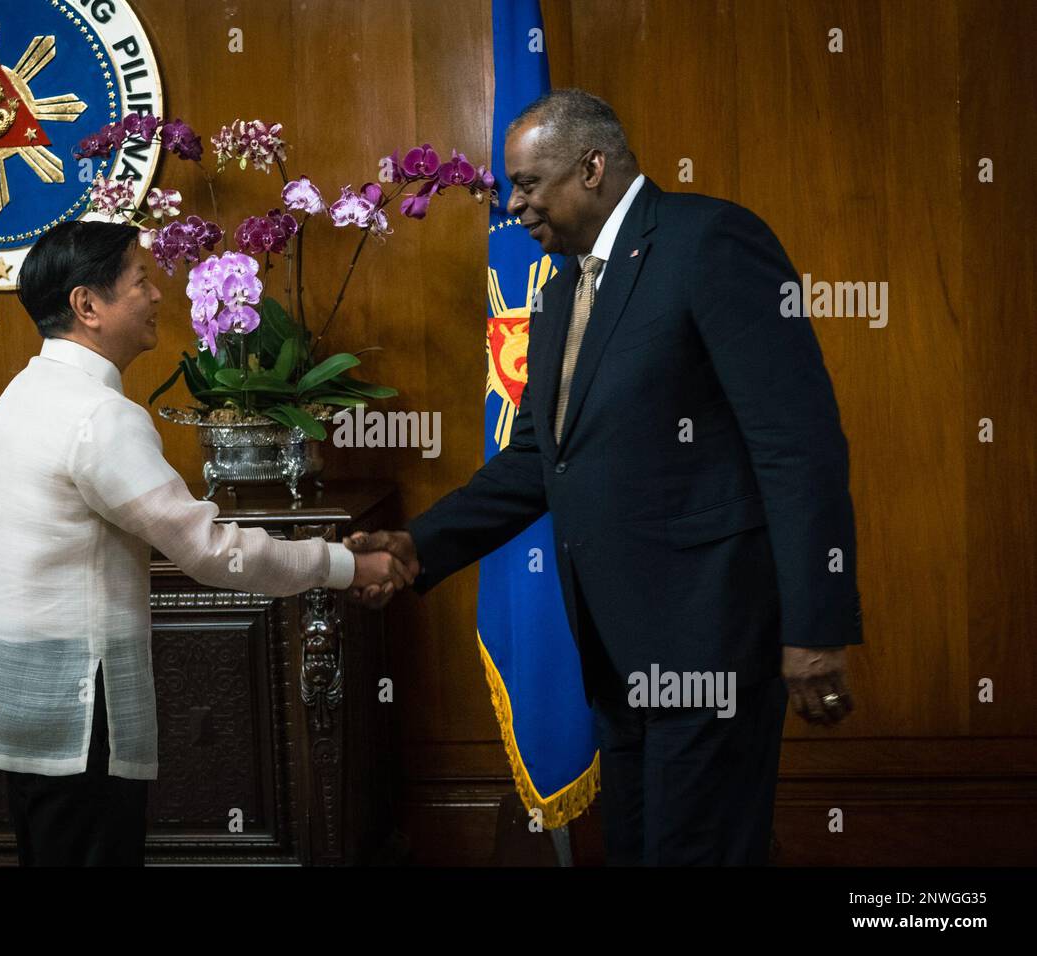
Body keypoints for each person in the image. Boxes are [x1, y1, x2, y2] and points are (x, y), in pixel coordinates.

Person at [346, 88, 862, 866]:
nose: (514, 206)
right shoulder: (560, 292)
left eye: (526, 184)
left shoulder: (712, 241)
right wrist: (419, 545)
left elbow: (800, 445)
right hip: (615, 649)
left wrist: (816, 628)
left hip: (713, 639)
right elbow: (536, 461)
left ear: (592, 167)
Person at [0, 219, 411, 866]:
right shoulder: (97, 417)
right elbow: (209, 549)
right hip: (84, 709)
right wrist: (342, 564)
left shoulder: (11, 404)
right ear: (88, 306)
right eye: (140, 281)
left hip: (18, 697)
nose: (158, 295)